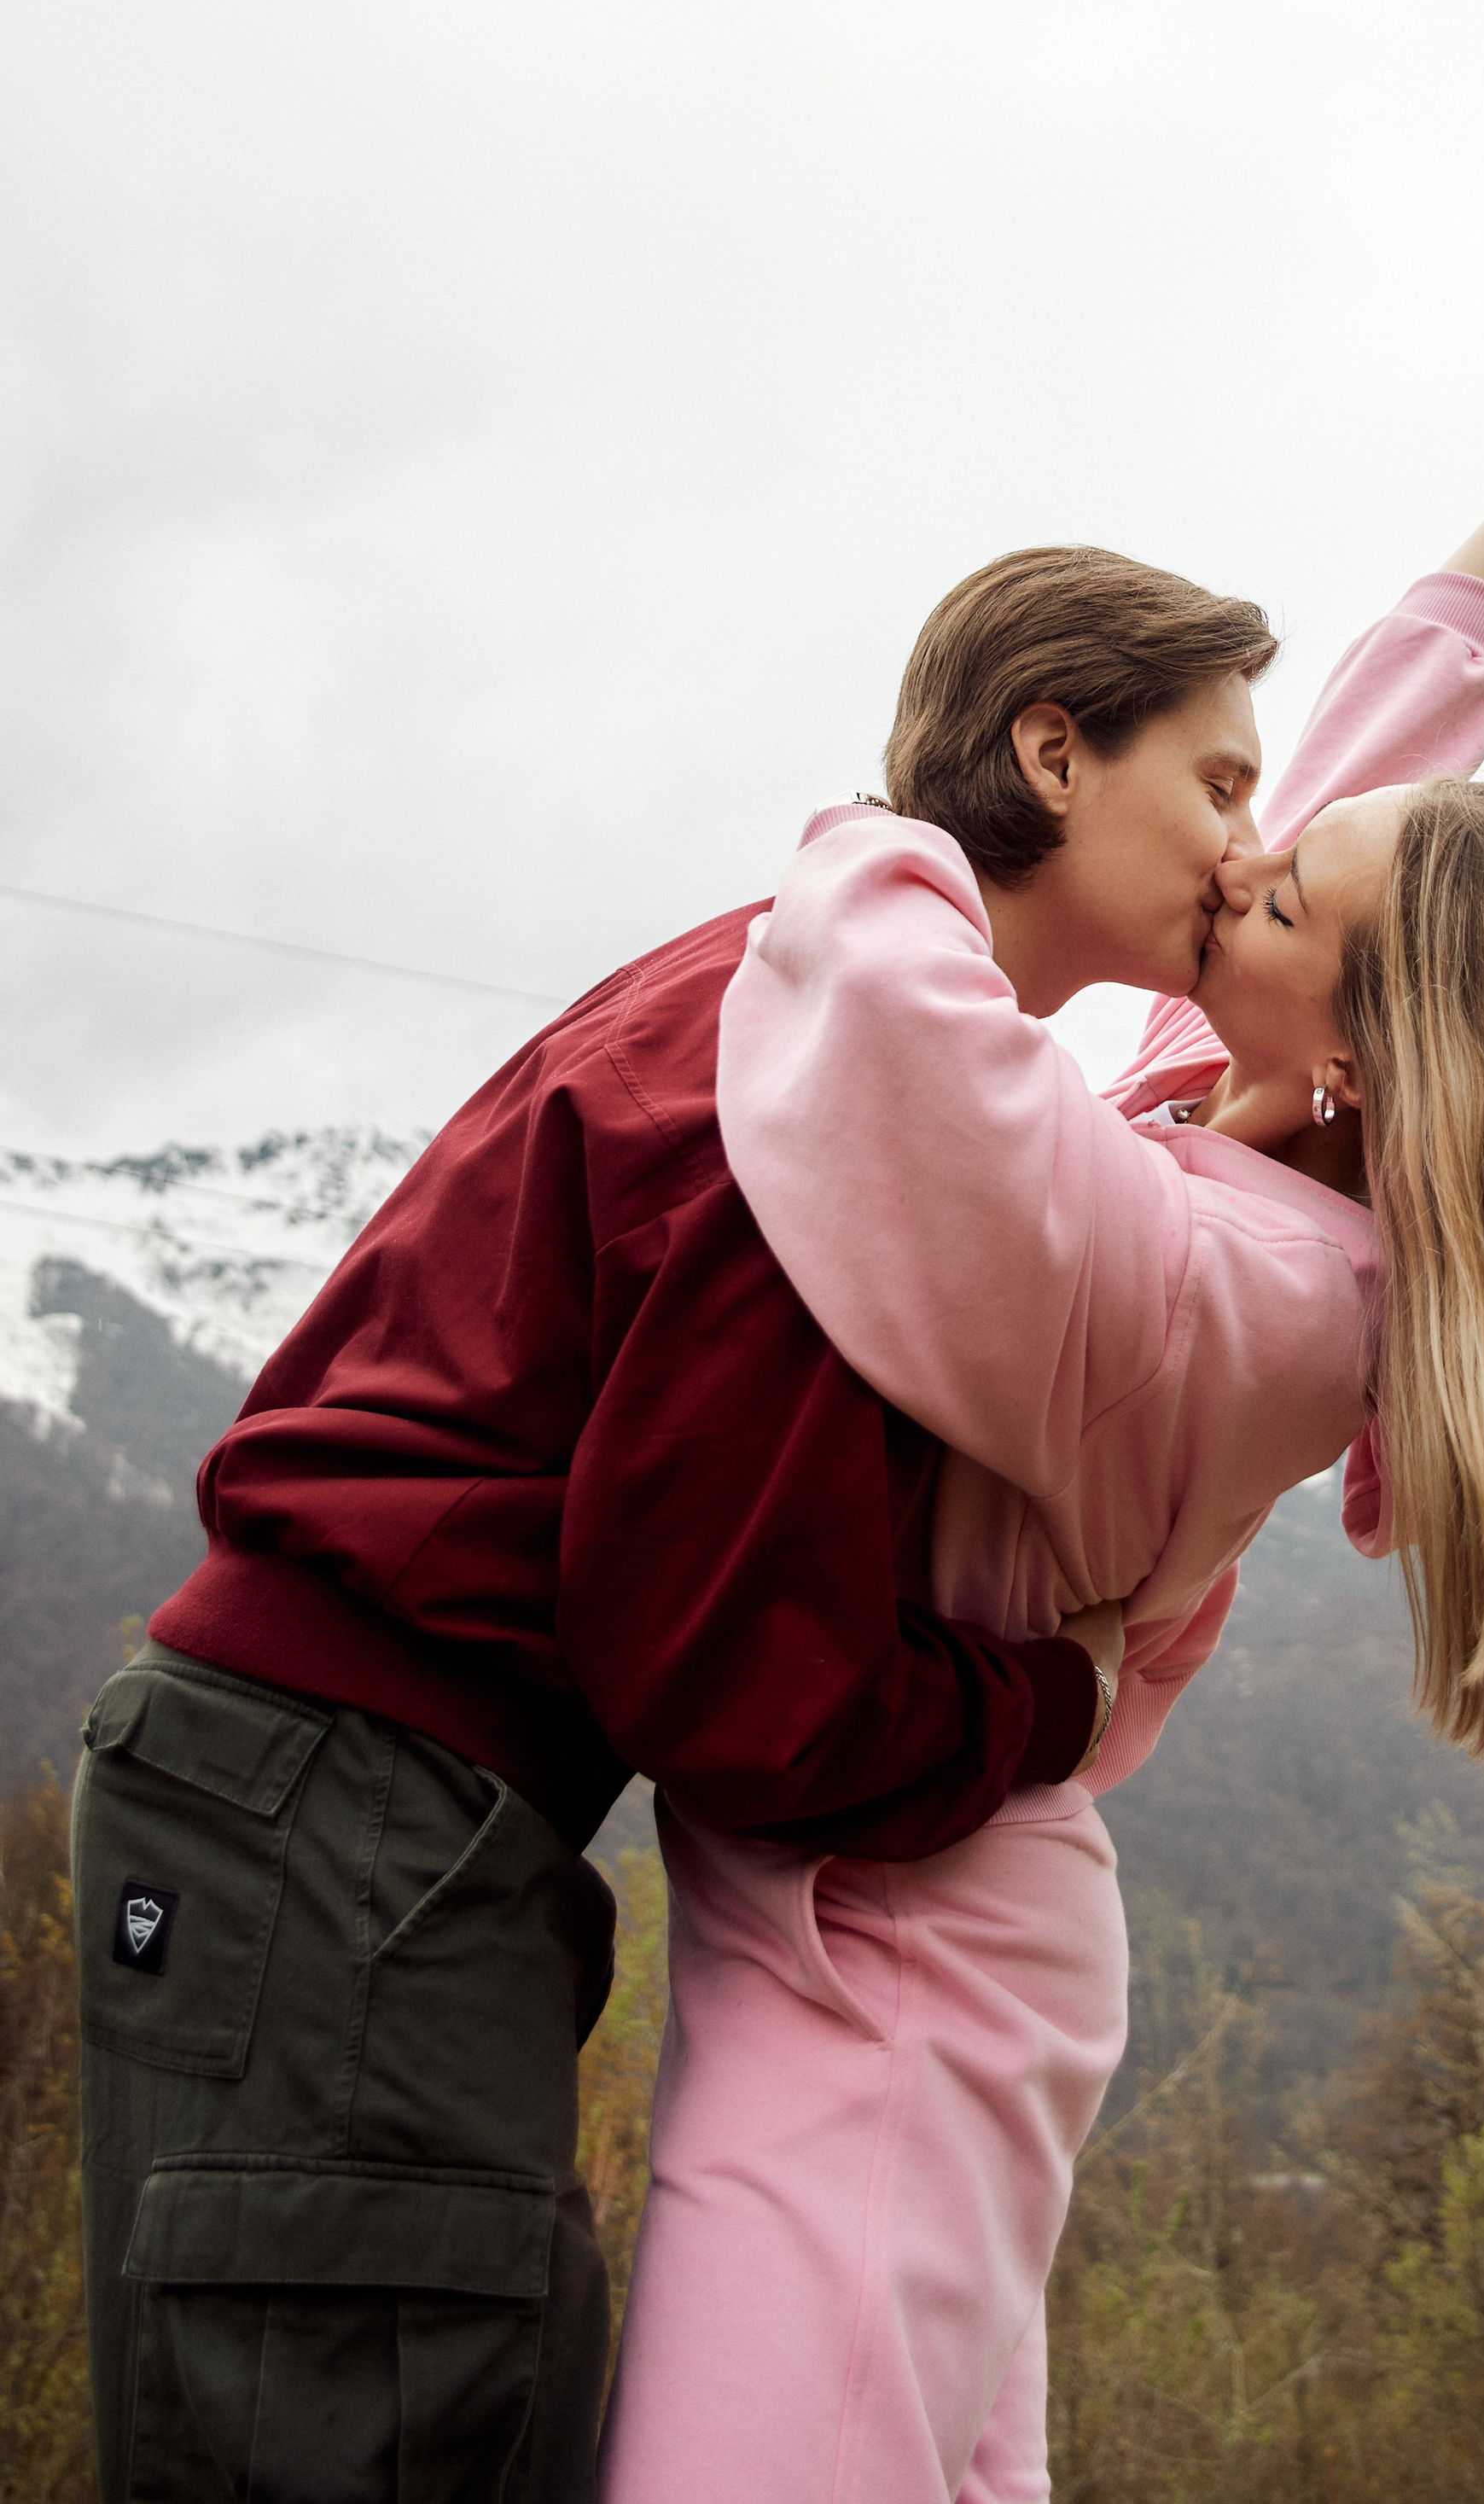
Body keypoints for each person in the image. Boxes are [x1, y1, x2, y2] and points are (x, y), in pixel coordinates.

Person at [600, 313, 1484, 2501]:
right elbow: (1383, 752)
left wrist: (934, 824)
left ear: (1368, 1050)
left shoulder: (1251, 1288)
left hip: (904, 1939)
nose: (1232, 859)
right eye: (1240, 823)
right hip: (908, 1891)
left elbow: (894, 1031)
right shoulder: (1252, 1101)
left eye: (1271, 882)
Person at [67, 837, 1138, 2492]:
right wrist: (1044, 1701)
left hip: (302, 1812)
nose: (1244, 843)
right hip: (349, 1829)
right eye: (1217, 781)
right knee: (385, 2426)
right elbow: (734, 1689)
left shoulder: (783, 977)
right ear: (1058, 757)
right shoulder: (839, 1068)